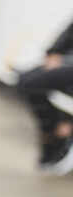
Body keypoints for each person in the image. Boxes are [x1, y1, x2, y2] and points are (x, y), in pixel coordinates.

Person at [15, 17, 73, 173]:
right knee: (25, 80)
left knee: (30, 83)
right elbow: (69, 31)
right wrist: (54, 52)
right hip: (66, 62)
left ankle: (61, 134)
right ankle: (56, 131)